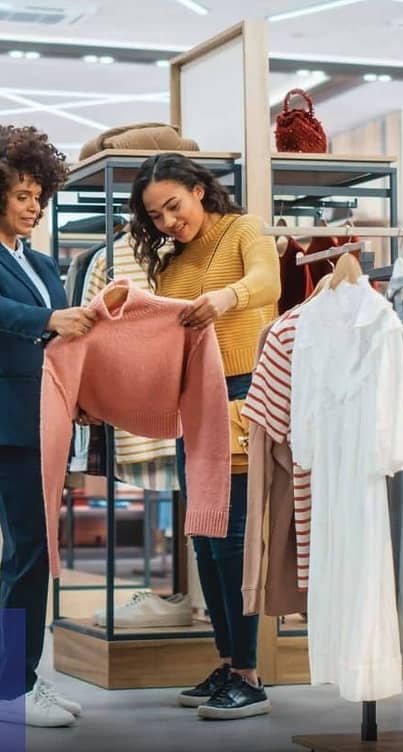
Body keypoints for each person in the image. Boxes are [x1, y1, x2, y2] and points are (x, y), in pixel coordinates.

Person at [0, 125, 97, 728]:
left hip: (50, 417)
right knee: (28, 550)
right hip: (7, 422)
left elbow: (64, 343)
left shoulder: (37, 260)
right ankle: (12, 690)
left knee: (39, 550)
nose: (33, 208)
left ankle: (28, 678)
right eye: (22, 196)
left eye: (38, 196)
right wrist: (52, 318)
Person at [129, 152, 280, 720]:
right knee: (204, 535)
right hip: (193, 399)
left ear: (198, 190)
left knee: (234, 535)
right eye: (156, 215)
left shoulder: (244, 230)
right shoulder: (170, 263)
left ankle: (250, 674)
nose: (169, 221)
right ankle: (228, 659)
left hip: (241, 394)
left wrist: (226, 298)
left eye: (174, 205)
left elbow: (267, 284)